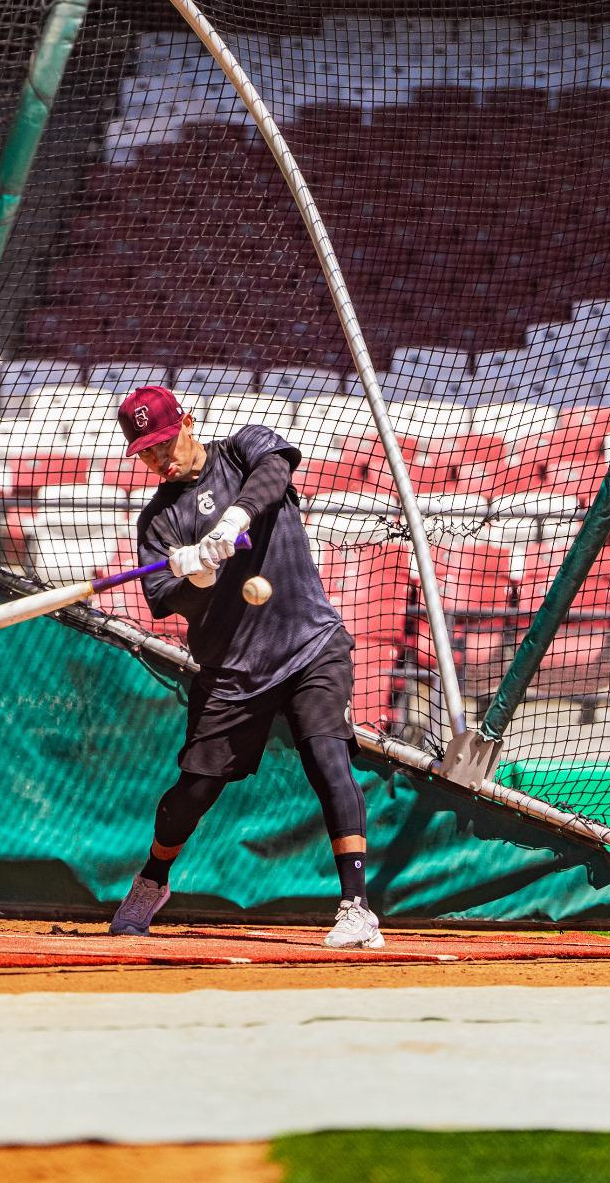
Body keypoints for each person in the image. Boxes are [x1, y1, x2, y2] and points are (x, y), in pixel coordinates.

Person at [106, 384, 382, 949]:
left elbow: (276, 470)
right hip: (232, 669)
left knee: (327, 758)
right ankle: (152, 880)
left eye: (163, 443)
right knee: (196, 789)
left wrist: (231, 521)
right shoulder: (159, 522)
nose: (159, 459)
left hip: (310, 642)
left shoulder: (242, 449)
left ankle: (357, 908)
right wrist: (197, 577)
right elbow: (165, 596)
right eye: (147, 452)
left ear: (187, 421)